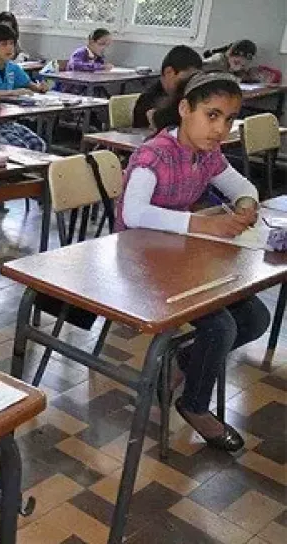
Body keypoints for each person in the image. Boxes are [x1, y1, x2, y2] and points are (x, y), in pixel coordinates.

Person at [117, 71, 270, 451]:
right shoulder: (154, 154)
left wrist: (245, 205)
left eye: (229, 119)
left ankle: (181, 365)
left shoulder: (208, 154)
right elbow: (134, 214)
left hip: (180, 257)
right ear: (185, 109)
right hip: (138, 262)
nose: (220, 128)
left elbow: (242, 186)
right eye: (211, 115)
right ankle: (195, 406)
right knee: (220, 327)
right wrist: (202, 223)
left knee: (255, 317)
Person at [0, 23, 48, 152]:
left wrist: (40, 87)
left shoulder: (13, 68)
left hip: (7, 122)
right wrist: (12, 92)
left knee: (38, 145)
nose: (9, 48)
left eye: (12, 43)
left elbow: (30, 85)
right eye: (4, 44)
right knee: (18, 148)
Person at [132, 45, 202, 129]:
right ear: (169, 72)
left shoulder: (193, 95)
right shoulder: (148, 101)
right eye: (186, 80)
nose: (190, 83)